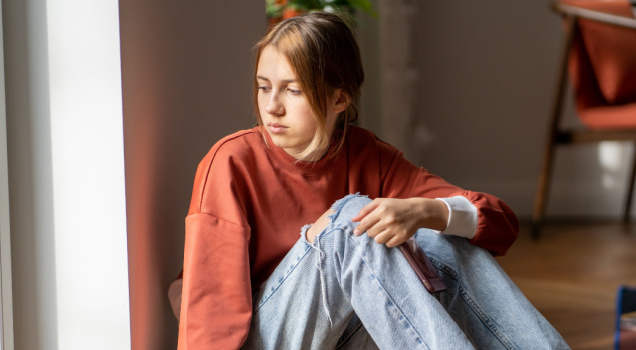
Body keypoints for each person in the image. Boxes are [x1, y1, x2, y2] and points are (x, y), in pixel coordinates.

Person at [178, 11, 568, 349]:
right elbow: (209, 305)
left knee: (440, 239)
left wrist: (425, 211)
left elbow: (500, 223)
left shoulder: (370, 156)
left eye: (293, 90)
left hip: (345, 337)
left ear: (340, 100)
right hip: (271, 338)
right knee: (349, 219)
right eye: (264, 87)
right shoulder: (230, 161)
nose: (271, 106)